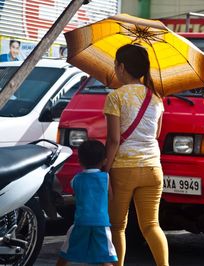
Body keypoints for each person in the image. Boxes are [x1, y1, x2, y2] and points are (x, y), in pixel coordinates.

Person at [103, 43, 169, 266]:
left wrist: (105, 169)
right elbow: (157, 133)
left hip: (123, 169)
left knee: (117, 226)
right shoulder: (157, 98)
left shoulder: (116, 97)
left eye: (115, 64)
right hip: (153, 168)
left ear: (121, 67)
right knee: (151, 225)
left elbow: (113, 140)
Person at [56, 140, 117, 266]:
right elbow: (111, 197)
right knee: (105, 256)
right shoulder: (105, 177)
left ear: (80, 161)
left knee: (66, 252)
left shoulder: (76, 179)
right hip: (101, 223)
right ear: (105, 161)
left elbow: (75, 193)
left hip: (81, 221)